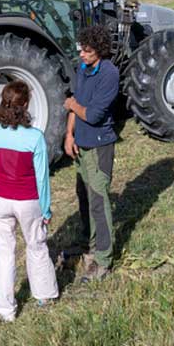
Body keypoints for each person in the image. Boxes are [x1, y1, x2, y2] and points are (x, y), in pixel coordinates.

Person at [0, 79, 59, 322]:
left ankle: (5, 309)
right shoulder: (35, 137)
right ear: (24, 105)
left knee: (4, 252)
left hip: (0, 199)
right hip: (27, 200)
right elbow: (42, 178)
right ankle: (44, 295)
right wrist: (45, 209)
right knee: (36, 245)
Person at [63, 24, 119, 282]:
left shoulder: (109, 74)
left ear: (100, 50)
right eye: (81, 50)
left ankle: (104, 258)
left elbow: (94, 115)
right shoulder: (83, 68)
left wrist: (73, 106)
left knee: (98, 199)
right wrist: (69, 134)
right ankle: (88, 243)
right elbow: (76, 101)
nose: (82, 55)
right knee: (83, 196)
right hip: (81, 143)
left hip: (98, 145)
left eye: (87, 51)